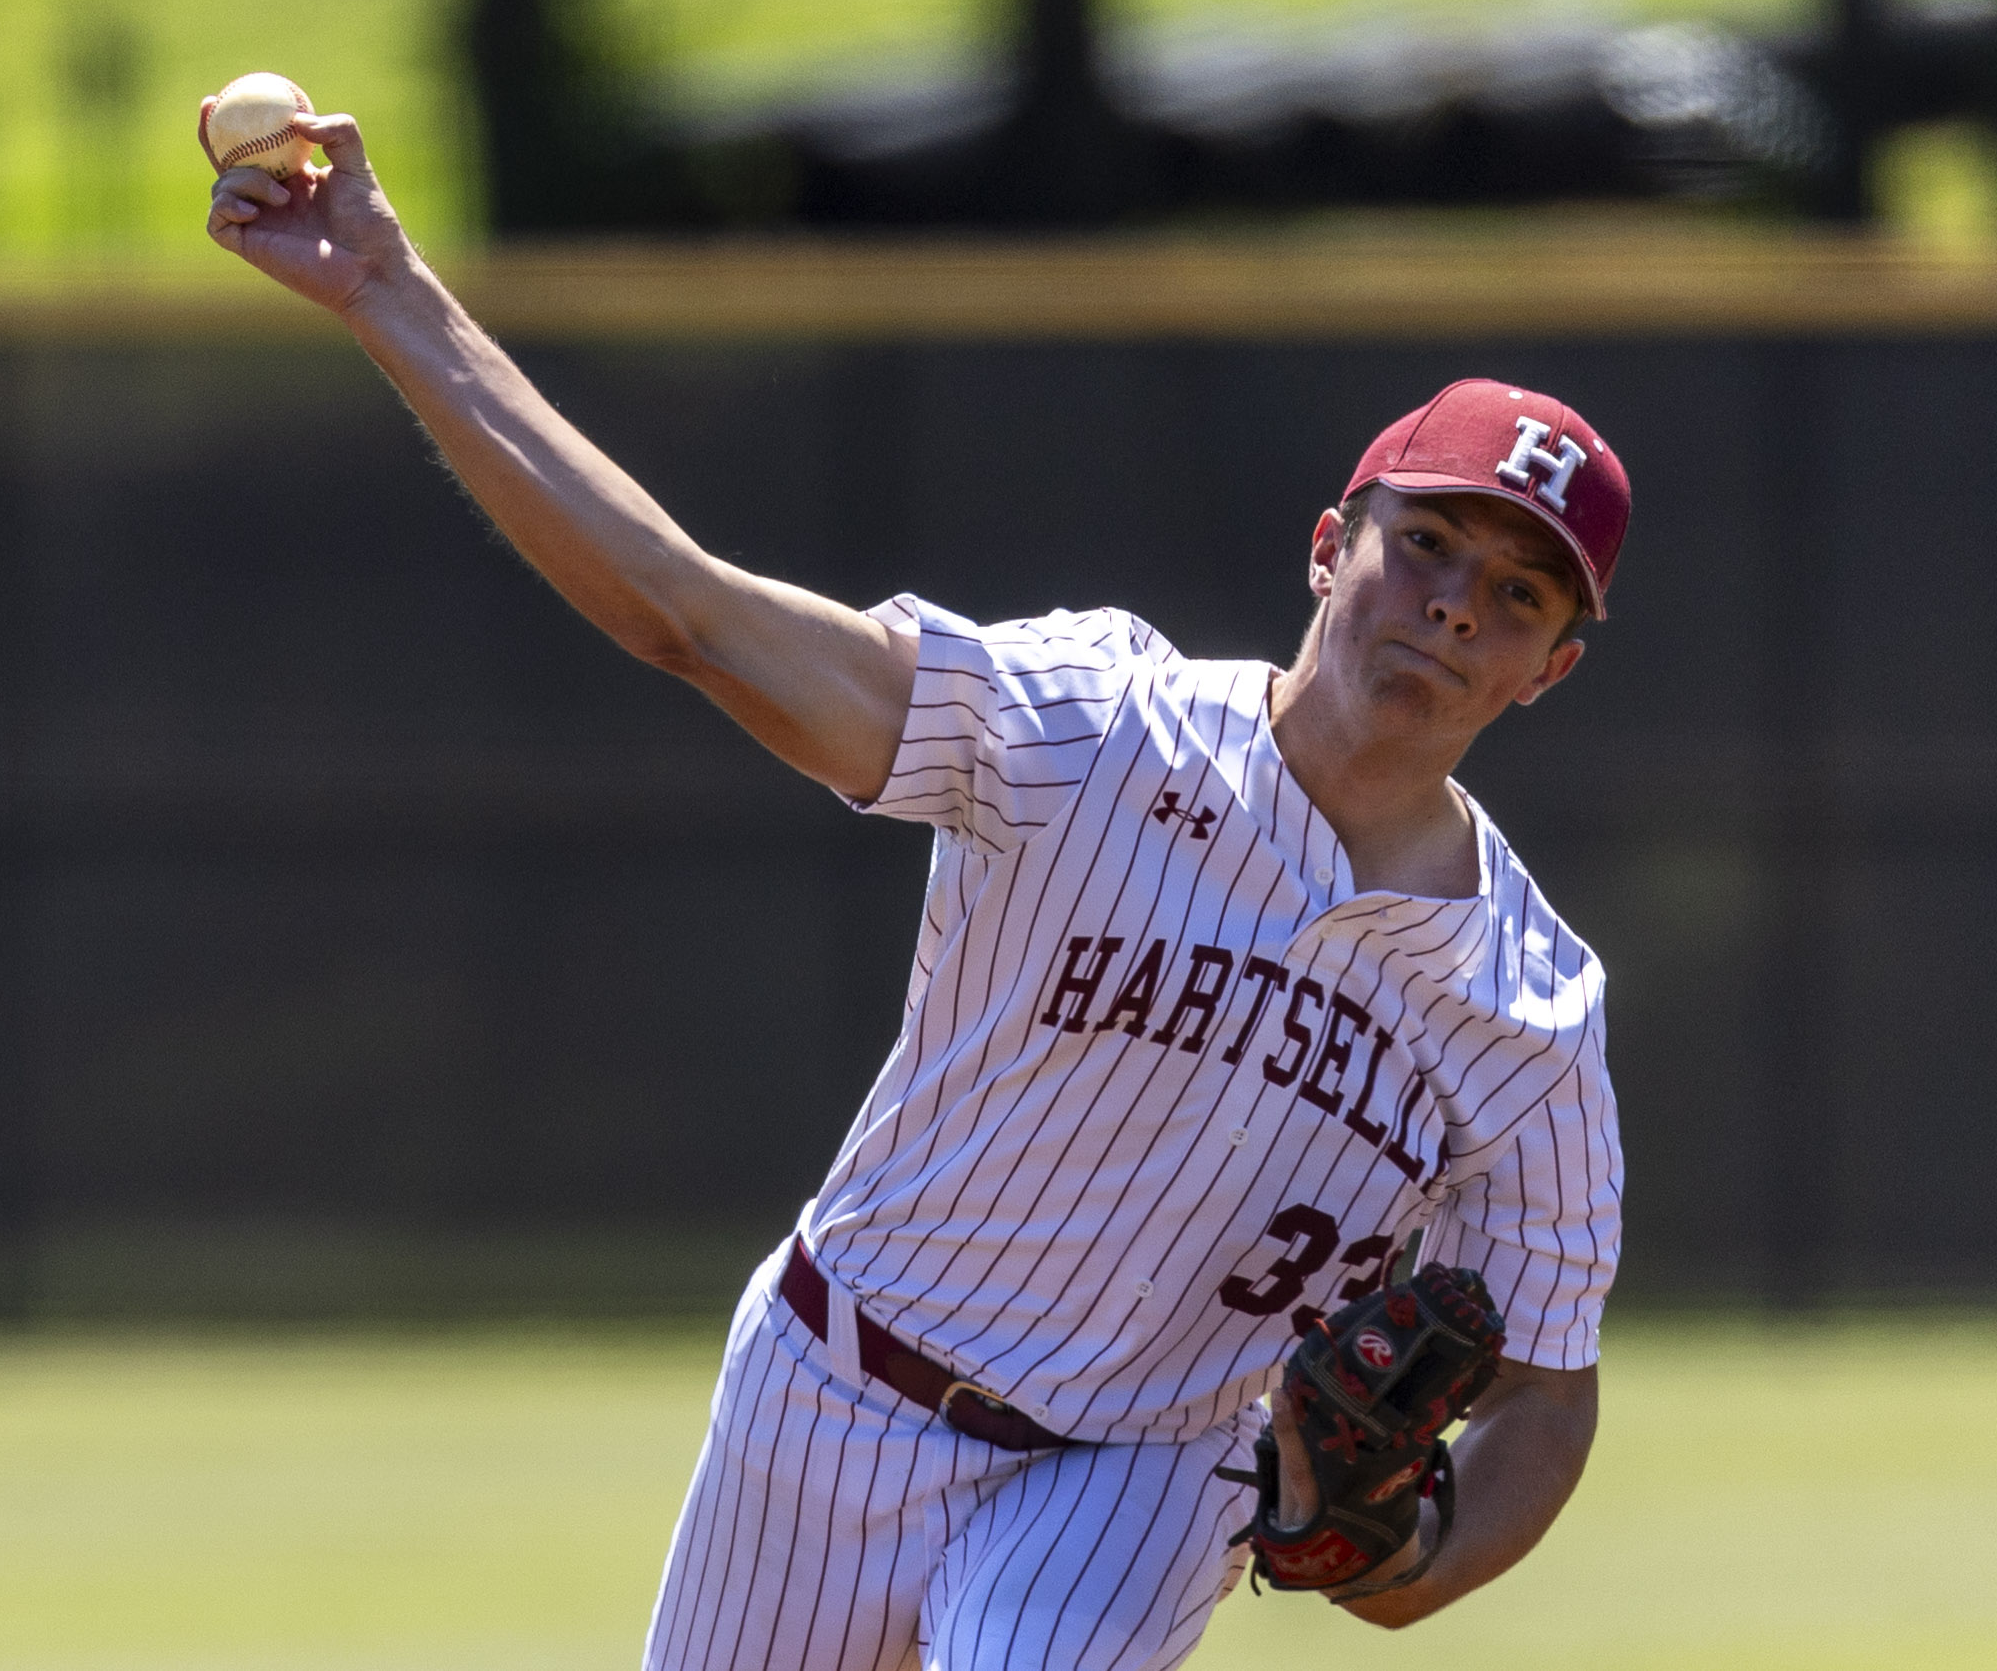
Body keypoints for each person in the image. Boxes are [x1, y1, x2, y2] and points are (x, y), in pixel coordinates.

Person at [205, 108, 1627, 1670]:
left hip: (1147, 1469)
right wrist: (390, 289)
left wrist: (1411, 1560)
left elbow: (1546, 1386)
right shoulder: (1089, 729)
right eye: (1423, 542)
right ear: (1327, 547)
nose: (1448, 606)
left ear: (1551, 668)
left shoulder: (1527, 1004)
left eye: (1513, 594)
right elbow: (695, 616)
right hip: (834, 1384)